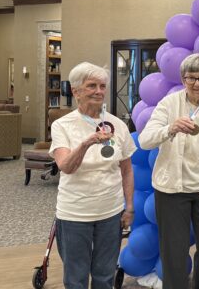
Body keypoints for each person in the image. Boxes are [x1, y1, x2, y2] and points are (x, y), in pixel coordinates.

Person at [139, 53, 199, 289]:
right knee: (174, 254)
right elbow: (145, 140)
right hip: (171, 191)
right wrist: (170, 129)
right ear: (182, 79)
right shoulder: (168, 104)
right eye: (191, 78)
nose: (197, 83)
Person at [50, 62, 136, 289]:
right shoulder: (62, 125)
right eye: (91, 86)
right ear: (76, 91)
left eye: (102, 86)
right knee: (76, 278)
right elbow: (66, 167)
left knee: (104, 276)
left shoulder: (117, 125)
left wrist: (129, 207)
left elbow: (127, 170)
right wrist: (86, 143)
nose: (99, 91)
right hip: (75, 213)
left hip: (111, 212)